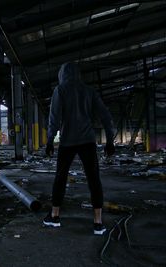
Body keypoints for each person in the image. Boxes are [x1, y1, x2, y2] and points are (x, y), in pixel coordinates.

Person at [43, 62, 115, 235]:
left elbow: (54, 118)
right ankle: (98, 222)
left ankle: (55, 217)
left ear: (62, 74)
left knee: (60, 178)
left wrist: (50, 141)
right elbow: (105, 115)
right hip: (87, 140)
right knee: (93, 179)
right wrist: (110, 141)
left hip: (67, 141)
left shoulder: (60, 90)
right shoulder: (89, 91)